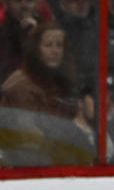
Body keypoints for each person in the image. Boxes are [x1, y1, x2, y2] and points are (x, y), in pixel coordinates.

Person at [0, 20, 78, 166]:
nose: (55, 51)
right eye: (48, 45)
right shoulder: (21, 86)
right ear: (36, 49)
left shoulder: (61, 82)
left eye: (59, 45)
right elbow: (30, 141)